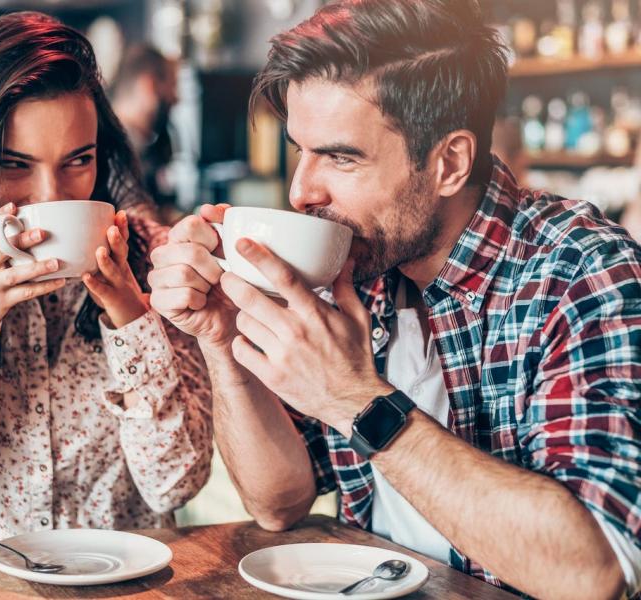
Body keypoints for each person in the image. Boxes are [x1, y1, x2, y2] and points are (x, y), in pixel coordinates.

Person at [147, 1, 639, 598]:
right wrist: (222, 339)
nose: (302, 190)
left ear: (449, 162)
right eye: (300, 149)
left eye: (340, 156)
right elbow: (278, 502)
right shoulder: (357, 266)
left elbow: (593, 572)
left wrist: (357, 400)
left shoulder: (580, 271)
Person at [0, 11, 212, 546]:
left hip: (127, 578)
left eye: (79, 160)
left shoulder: (154, 257)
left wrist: (131, 319)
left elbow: (175, 486)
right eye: (15, 164)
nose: (52, 196)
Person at [109, 44, 181, 224]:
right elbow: (141, 222)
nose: (176, 98)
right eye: (172, 86)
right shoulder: (112, 146)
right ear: (149, 86)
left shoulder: (145, 146)